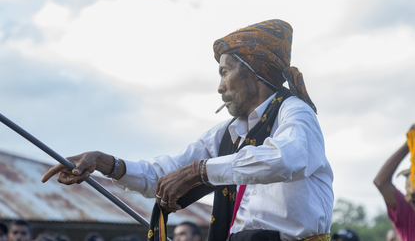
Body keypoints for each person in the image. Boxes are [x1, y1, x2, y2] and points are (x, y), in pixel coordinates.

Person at [42, 19, 334, 241]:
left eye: (224, 71)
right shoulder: (226, 135)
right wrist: (108, 164)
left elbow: (287, 158)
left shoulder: (294, 110)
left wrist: (200, 171)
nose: (220, 86)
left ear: (252, 72)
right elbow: (166, 173)